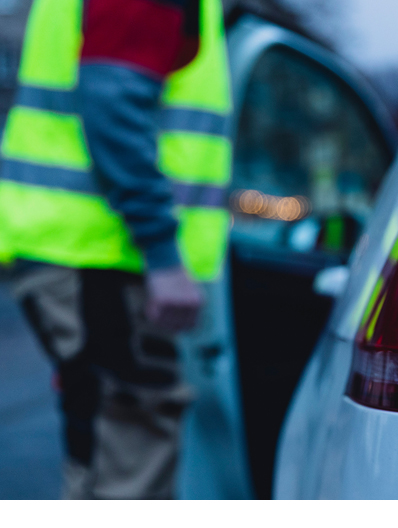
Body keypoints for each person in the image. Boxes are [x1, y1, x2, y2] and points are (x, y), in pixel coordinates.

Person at [0, 0, 233, 499]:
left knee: (104, 445)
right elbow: (114, 104)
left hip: (85, 250)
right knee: (129, 450)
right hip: (102, 254)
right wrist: (164, 258)